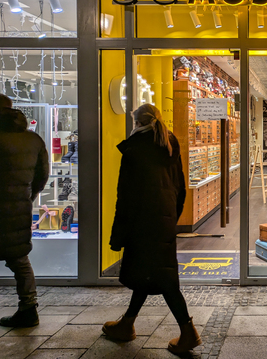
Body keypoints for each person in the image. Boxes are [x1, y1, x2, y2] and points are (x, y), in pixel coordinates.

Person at [104, 104, 201, 354]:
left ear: (136, 123)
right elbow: (179, 186)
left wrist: (119, 233)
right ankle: (127, 323)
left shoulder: (134, 149)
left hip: (142, 221)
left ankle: (188, 332)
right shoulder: (168, 145)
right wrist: (171, 216)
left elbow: (124, 196)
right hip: (163, 218)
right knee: (148, 271)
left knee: (163, 278)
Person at [0, 94, 48, 328]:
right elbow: (42, 176)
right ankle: (28, 307)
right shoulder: (33, 140)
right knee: (19, 260)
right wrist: (27, 197)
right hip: (18, 206)